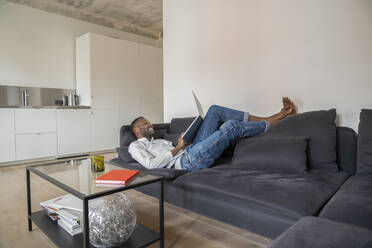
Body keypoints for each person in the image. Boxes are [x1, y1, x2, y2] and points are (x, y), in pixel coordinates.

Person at [128, 97, 297, 171]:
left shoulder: (158, 140)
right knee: (230, 127)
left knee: (214, 110)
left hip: (190, 149)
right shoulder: (134, 147)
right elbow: (151, 165)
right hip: (187, 163)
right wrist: (179, 147)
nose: (150, 124)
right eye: (145, 123)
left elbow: (179, 148)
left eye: (148, 122)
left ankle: (265, 119)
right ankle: (272, 123)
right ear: (136, 130)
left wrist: (185, 140)